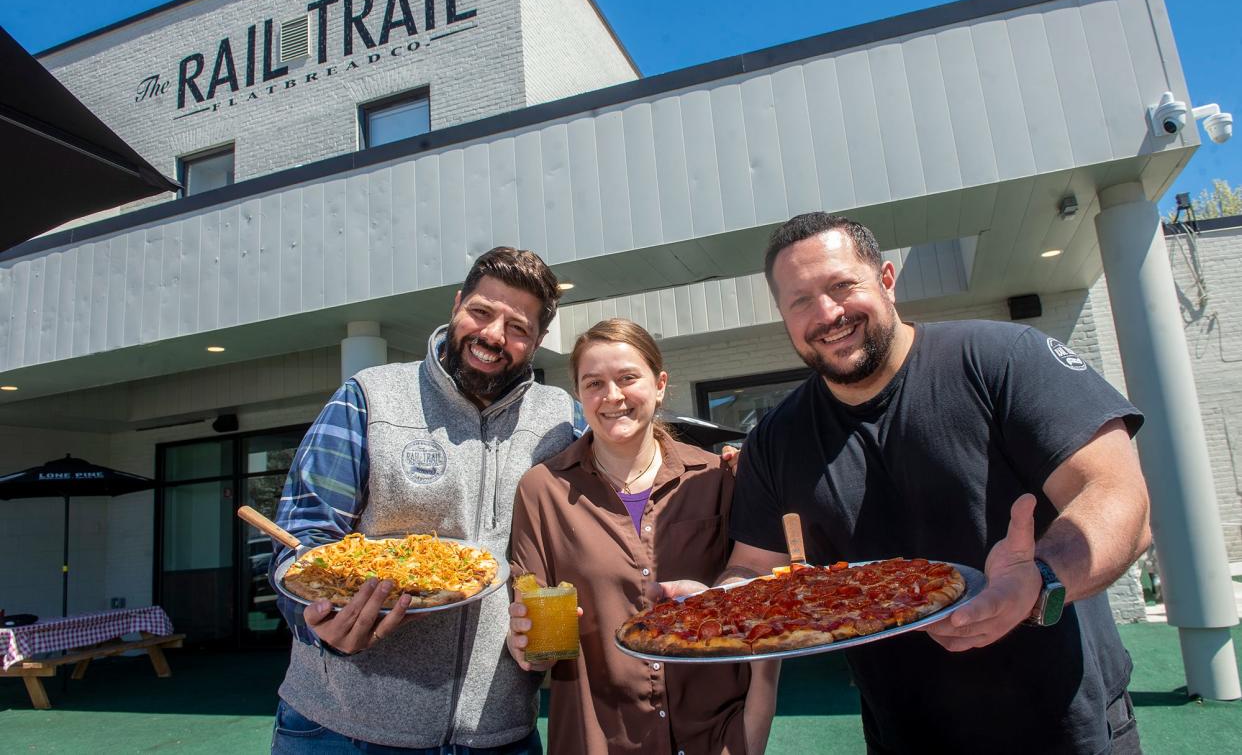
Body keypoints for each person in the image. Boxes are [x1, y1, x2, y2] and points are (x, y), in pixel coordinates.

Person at [680, 213, 1151, 754]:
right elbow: (754, 569)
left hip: (1066, 725)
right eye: (801, 301)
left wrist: (1040, 581)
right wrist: (717, 601)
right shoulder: (777, 439)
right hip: (903, 734)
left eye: (841, 285)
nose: (827, 314)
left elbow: (1119, 498)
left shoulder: (1003, 360)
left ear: (885, 279)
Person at [269, 247, 576, 754]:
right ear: (456, 304)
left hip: (498, 733)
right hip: (343, 728)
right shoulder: (368, 396)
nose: (494, 335)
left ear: (539, 341)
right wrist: (317, 621)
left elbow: (624, 478)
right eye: (481, 312)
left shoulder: (562, 420)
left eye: (518, 327)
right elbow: (303, 537)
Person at [506, 319, 779, 754]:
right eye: (594, 383)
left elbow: (765, 587)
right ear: (579, 395)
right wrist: (525, 643)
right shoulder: (542, 491)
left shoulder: (717, 478)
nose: (612, 396)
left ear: (660, 385)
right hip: (596, 739)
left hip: (713, 736)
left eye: (628, 378)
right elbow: (537, 641)